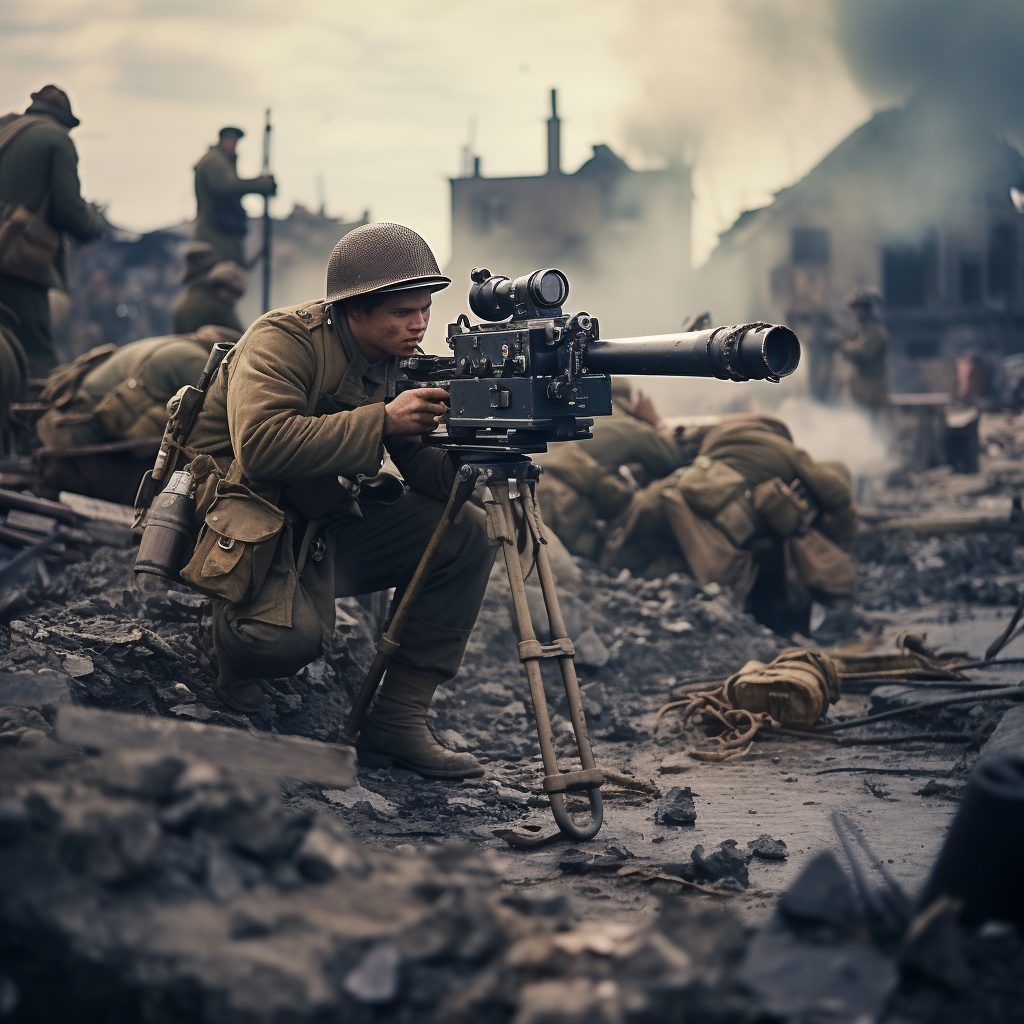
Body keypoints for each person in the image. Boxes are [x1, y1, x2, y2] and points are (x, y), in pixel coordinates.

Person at [186, 222, 497, 780]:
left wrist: (478, 448)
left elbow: (421, 467)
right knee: (282, 645)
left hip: (325, 513)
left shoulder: (398, 360)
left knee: (464, 534)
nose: (419, 324)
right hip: (244, 520)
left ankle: (398, 721)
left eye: (424, 309)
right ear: (355, 309)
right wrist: (383, 418)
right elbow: (259, 448)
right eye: (404, 312)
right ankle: (230, 647)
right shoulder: (283, 341)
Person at [33, 324, 241, 504]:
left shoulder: (174, 345)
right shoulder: (194, 360)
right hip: (78, 452)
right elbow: (221, 424)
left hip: (64, 434)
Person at [0, 85, 105, 379]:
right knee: (36, 359)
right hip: (17, 262)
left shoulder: (6, 128)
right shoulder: (57, 139)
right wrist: (94, 223)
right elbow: (69, 211)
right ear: (64, 118)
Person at [534, 378, 682, 559]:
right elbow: (672, 462)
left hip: (530, 486)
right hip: (561, 500)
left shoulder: (569, 415)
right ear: (630, 401)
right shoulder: (630, 427)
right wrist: (655, 422)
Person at [192, 127, 275, 265]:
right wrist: (260, 185)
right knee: (225, 272)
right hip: (216, 231)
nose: (233, 145)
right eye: (231, 140)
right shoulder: (215, 161)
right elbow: (227, 186)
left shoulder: (221, 160)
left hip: (221, 229)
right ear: (223, 140)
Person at [839, 287, 889, 412]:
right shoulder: (864, 329)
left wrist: (844, 345)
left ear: (868, 309)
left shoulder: (875, 331)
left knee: (872, 425)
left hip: (872, 388)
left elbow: (863, 353)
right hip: (863, 386)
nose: (854, 311)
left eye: (858, 307)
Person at [171, 260, 246, 335]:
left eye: (237, 295)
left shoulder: (184, 301)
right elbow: (241, 339)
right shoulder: (219, 307)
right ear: (219, 286)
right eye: (231, 293)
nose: (233, 299)